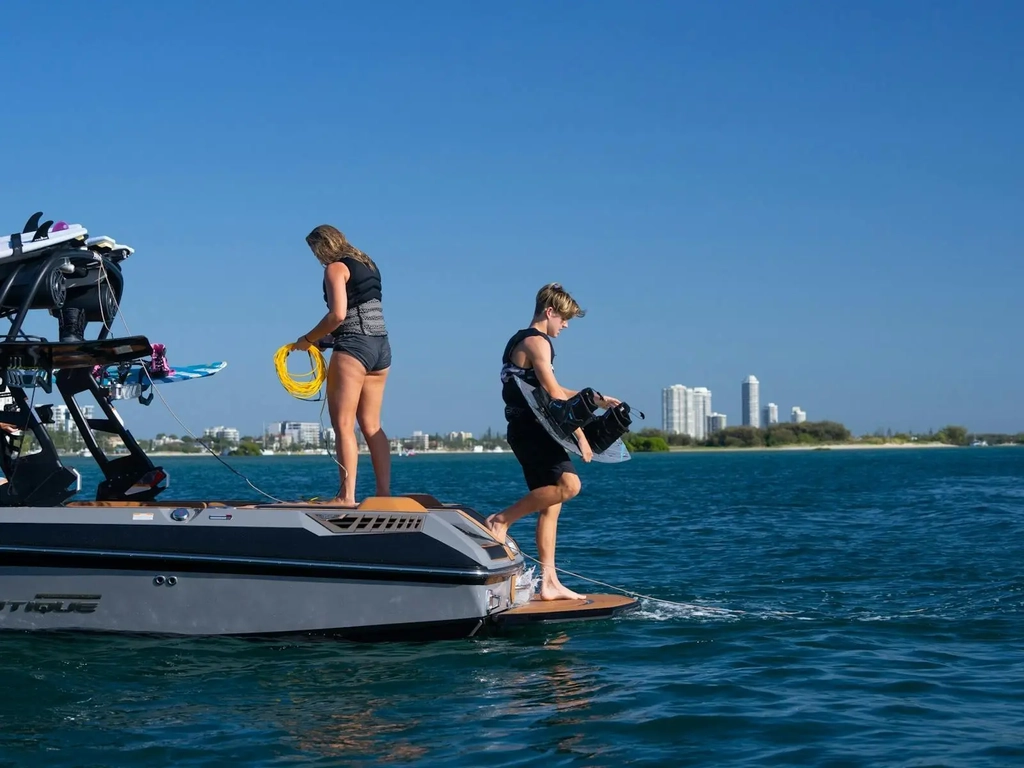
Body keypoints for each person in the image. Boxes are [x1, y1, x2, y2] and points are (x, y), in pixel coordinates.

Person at [486, 283, 620, 601]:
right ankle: (501, 520)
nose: (566, 325)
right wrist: (581, 436)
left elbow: (553, 389)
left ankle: (549, 583)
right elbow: (556, 396)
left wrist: (598, 401)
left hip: (531, 428)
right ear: (550, 313)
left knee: (552, 505)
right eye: (564, 319)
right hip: (531, 430)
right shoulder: (536, 343)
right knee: (570, 486)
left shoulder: (523, 340)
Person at [292, 225, 391, 507]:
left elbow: (338, 314)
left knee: (344, 425)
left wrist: (307, 339)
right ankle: (384, 495)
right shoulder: (367, 263)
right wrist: (326, 340)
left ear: (321, 246)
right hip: (381, 348)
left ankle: (346, 497)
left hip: (354, 348)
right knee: (372, 426)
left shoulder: (335, 268)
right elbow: (362, 311)